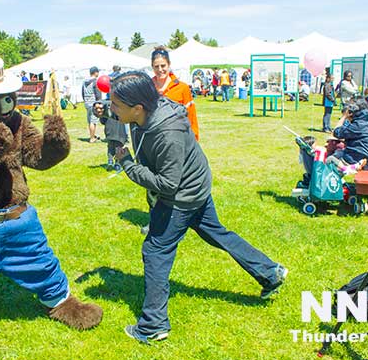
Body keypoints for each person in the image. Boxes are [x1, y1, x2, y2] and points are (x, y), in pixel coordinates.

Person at [109, 71, 287, 343]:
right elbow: (124, 121)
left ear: (138, 107)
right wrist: (105, 116)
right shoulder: (145, 111)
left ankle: (153, 325)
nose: (112, 109)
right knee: (217, 232)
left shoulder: (167, 132)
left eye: (115, 106)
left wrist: (127, 164)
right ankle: (270, 272)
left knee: (155, 251)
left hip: (181, 197)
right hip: (195, 188)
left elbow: (168, 184)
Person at [150, 47, 199, 141]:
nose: (160, 70)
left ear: (169, 65)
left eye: (163, 66)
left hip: (178, 139)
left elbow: (191, 117)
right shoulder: (147, 87)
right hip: (154, 139)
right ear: (152, 67)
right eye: (156, 66)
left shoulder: (182, 88)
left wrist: (194, 139)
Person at [332, 99, 368, 170]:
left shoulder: (357, 125)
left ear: (351, 113)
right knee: (340, 150)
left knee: (331, 159)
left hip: (364, 161)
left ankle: (343, 172)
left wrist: (343, 116)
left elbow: (336, 132)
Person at [93, 101, 128, 171]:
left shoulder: (106, 111)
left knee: (110, 147)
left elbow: (102, 121)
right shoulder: (120, 111)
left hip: (109, 131)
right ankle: (118, 164)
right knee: (119, 148)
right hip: (120, 132)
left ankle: (110, 161)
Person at [82, 66, 102, 143]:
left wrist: (85, 100)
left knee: (90, 120)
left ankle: (92, 135)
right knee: (93, 121)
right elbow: (98, 93)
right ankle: (92, 138)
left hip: (87, 103)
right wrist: (99, 102)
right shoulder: (95, 81)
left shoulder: (84, 82)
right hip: (93, 103)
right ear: (96, 72)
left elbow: (82, 92)